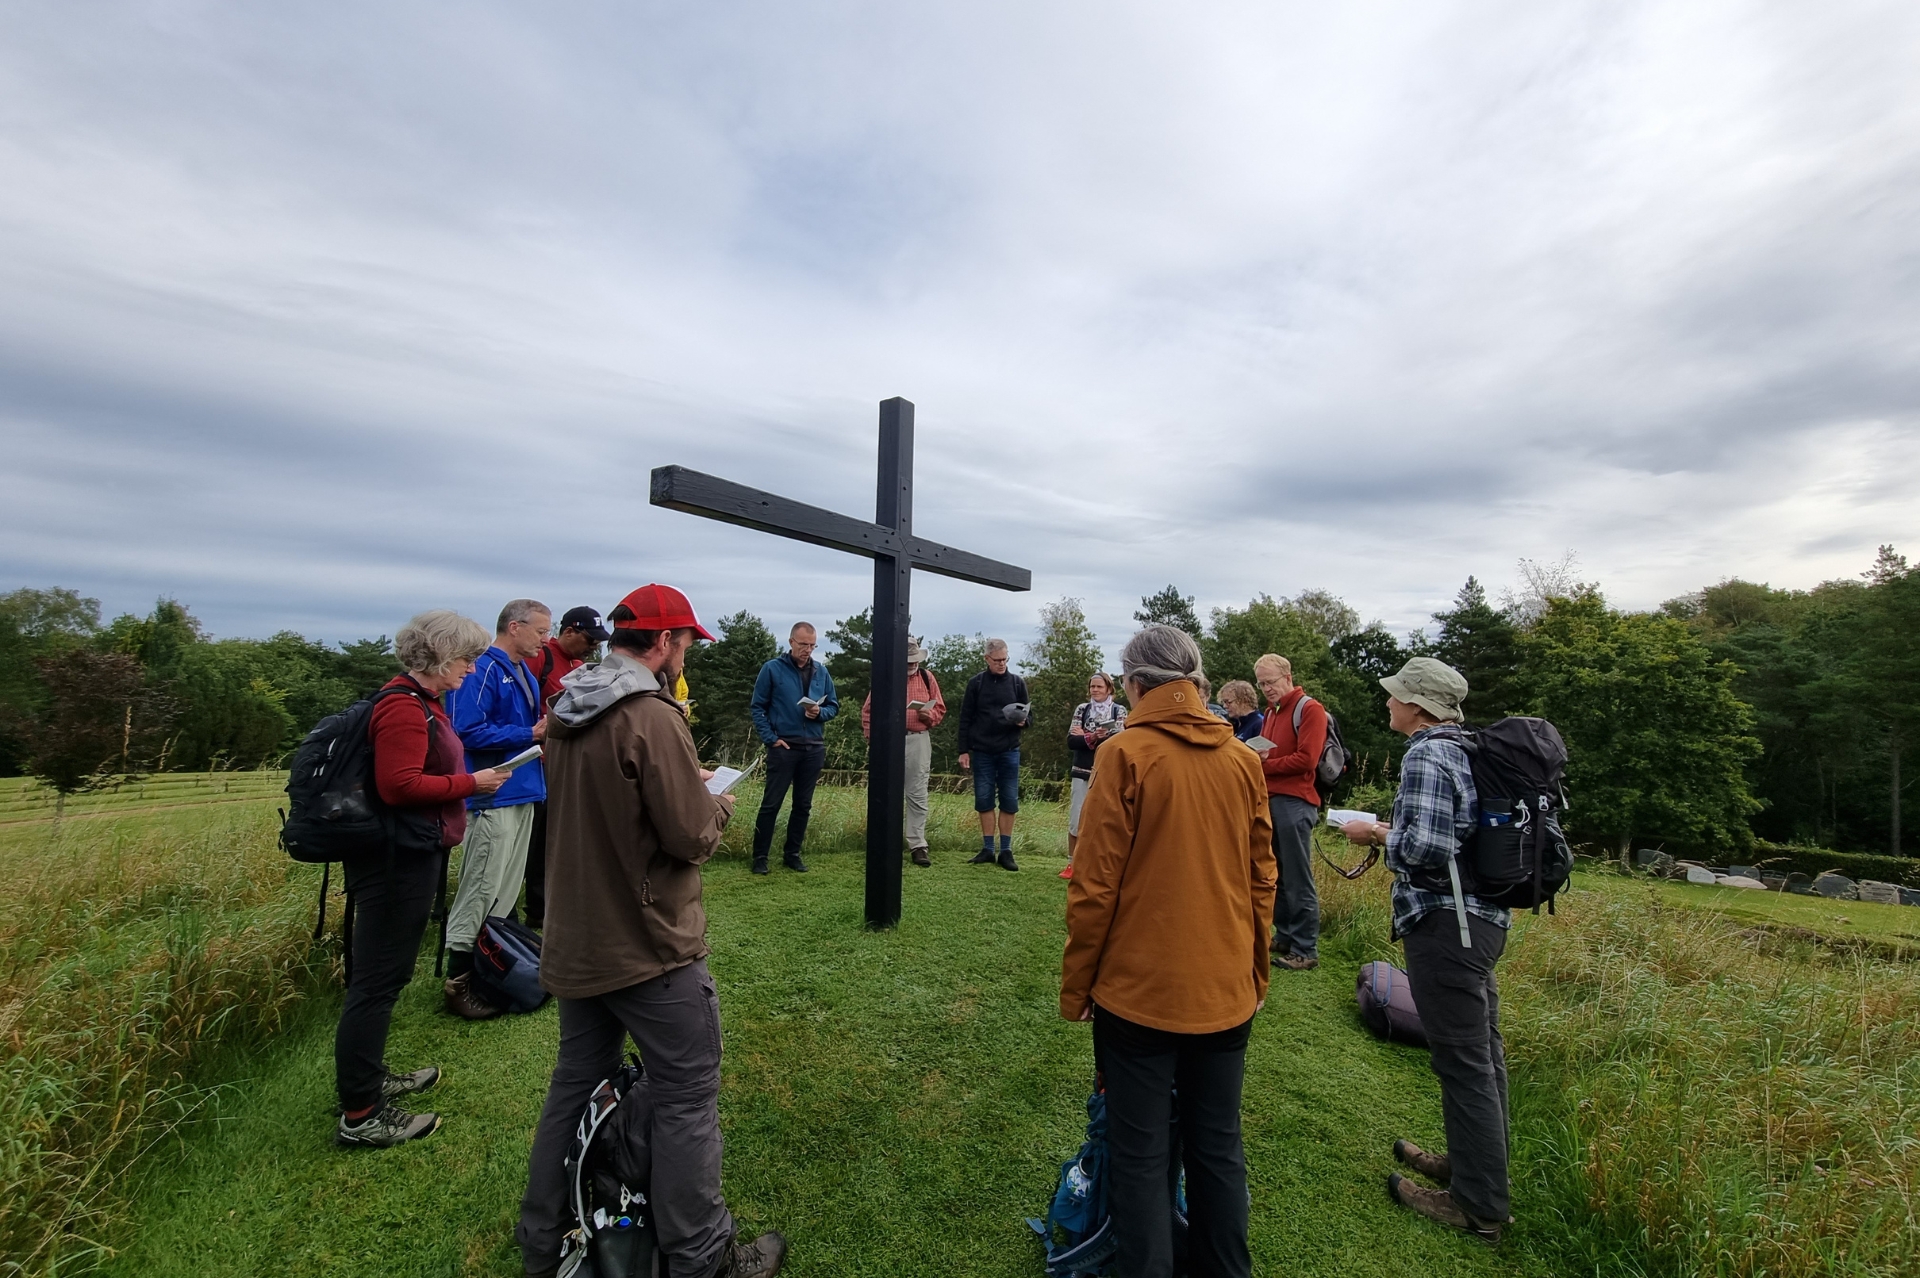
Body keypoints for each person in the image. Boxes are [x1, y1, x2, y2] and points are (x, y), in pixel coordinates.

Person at [518, 583, 787, 1278]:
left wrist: (677, 779)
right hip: (647, 943)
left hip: (577, 933)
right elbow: (689, 835)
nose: (687, 653)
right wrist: (715, 802)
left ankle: (542, 1246)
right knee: (687, 1097)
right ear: (664, 642)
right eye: (687, 641)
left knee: (574, 1086)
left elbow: (610, 797)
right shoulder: (649, 713)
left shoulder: (570, 702)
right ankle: (703, 1259)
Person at [1060, 625, 1276, 1278]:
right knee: (1218, 1146)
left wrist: (1078, 990)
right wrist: (1255, 970)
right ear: (1197, 682)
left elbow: (1093, 887)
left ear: (1134, 684)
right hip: (1225, 989)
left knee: (1140, 1152)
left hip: (1138, 994)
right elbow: (1263, 878)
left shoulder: (1124, 755)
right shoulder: (1242, 760)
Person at [1340, 657, 1510, 1245]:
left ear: (1419, 706)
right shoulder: (1468, 747)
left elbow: (1428, 851)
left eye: (1395, 696)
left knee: (1464, 1063)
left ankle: (1478, 1206)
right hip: (1481, 921)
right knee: (1483, 1055)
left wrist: (1376, 834)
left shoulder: (1427, 752)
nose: (1387, 703)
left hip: (1446, 926)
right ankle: (1473, 1170)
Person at [335, 610, 508, 1149]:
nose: (471, 668)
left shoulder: (422, 704)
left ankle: (370, 1077)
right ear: (437, 654)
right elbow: (399, 785)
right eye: (465, 658)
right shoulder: (405, 709)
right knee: (375, 984)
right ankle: (361, 1113)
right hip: (393, 862)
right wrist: (469, 783)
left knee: (386, 979)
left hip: (410, 853)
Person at [444, 598, 550, 1019]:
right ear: (514, 626)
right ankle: (458, 983)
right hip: (493, 795)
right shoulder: (483, 667)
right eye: (541, 630)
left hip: (523, 789)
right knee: (481, 888)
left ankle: (496, 972)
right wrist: (530, 732)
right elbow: (463, 729)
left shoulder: (524, 670)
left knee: (506, 889)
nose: (547, 638)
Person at [521, 606, 613, 930]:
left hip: (567, 760)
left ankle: (549, 901)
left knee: (557, 835)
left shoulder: (580, 665)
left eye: (597, 642)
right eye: (589, 639)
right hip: (539, 761)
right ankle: (536, 907)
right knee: (539, 836)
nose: (593, 646)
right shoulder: (541, 658)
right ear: (569, 631)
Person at [1253, 653, 1328, 972]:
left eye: (1270, 681)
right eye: (1261, 683)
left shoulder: (1309, 709)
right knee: (1278, 873)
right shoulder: (1272, 711)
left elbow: (1307, 760)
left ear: (1287, 676)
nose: (1266, 688)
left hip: (1296, 801)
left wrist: (1264, 764)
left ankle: (1306, 947)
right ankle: (1285, 935)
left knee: (1297, 876)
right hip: (1272, 798)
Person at [748, 622, 838, 875]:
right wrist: (771, 739)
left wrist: (820, 712)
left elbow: (834, 706)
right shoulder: (772, 669)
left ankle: (792, 854)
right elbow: (757, 707)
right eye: (803, 644)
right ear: (791, 642)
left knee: (803, 805)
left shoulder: (822, 672)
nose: (807, 650)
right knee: (771, 804)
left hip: (813, 747)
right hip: (784, 746)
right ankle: (760, 857)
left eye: (812, 645)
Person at [859, 638, 946, 867]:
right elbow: (868, 712)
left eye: (915, 660)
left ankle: (918, 845)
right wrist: (873, 741)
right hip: (888, 742)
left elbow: (940, 708)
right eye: (907, 661)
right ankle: (884, 843)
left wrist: (931, 717)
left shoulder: (928, 678)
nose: (912, 665)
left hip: (918, 740)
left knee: (917, 794)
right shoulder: (885, 679)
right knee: (886, 793)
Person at [957, 638, 1030, 870]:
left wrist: (1024, 721)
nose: (1001, 664)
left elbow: (1030, 715)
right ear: (986, 659)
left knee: (1009, 800)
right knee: (984, 798)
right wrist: (963, 750)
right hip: (982, 750)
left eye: (1005, 659)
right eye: (997, 660)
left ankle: (1006, 851)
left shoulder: (1017, 683)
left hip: (1009, 749)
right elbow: (965, 718)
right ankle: (988, 849)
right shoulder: (976, 683)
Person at [1060, 671, 1127, 879]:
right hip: (1081, 770)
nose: (1095, 690)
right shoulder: (1083, 709)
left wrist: (1089, 737)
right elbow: (1071, 741)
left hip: (1107, 770)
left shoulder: (1119, 710)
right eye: (1092, 687)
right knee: (1076, 817)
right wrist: (1094, 736)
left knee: (1104, 818)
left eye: (1099, 687)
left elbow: (1120, 741)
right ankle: (1072, 863)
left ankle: (1098, 865)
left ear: (1109, 689)